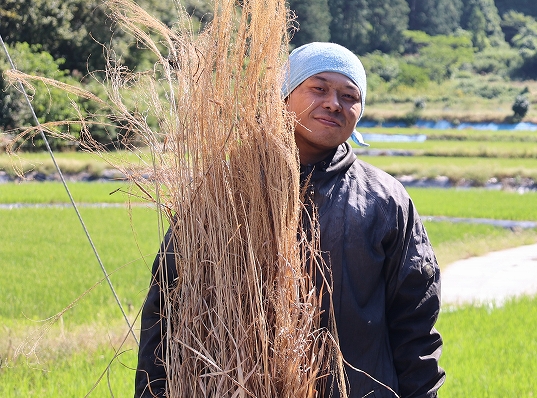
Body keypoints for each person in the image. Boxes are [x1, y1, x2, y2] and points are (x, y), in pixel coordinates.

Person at [136, 42, 445, 398]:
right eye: (319, 88)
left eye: (349, 96)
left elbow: (415, 321)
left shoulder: (384, 199)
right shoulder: (226, 193)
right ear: (284, 96)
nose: (334, 103)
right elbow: (168, 309)